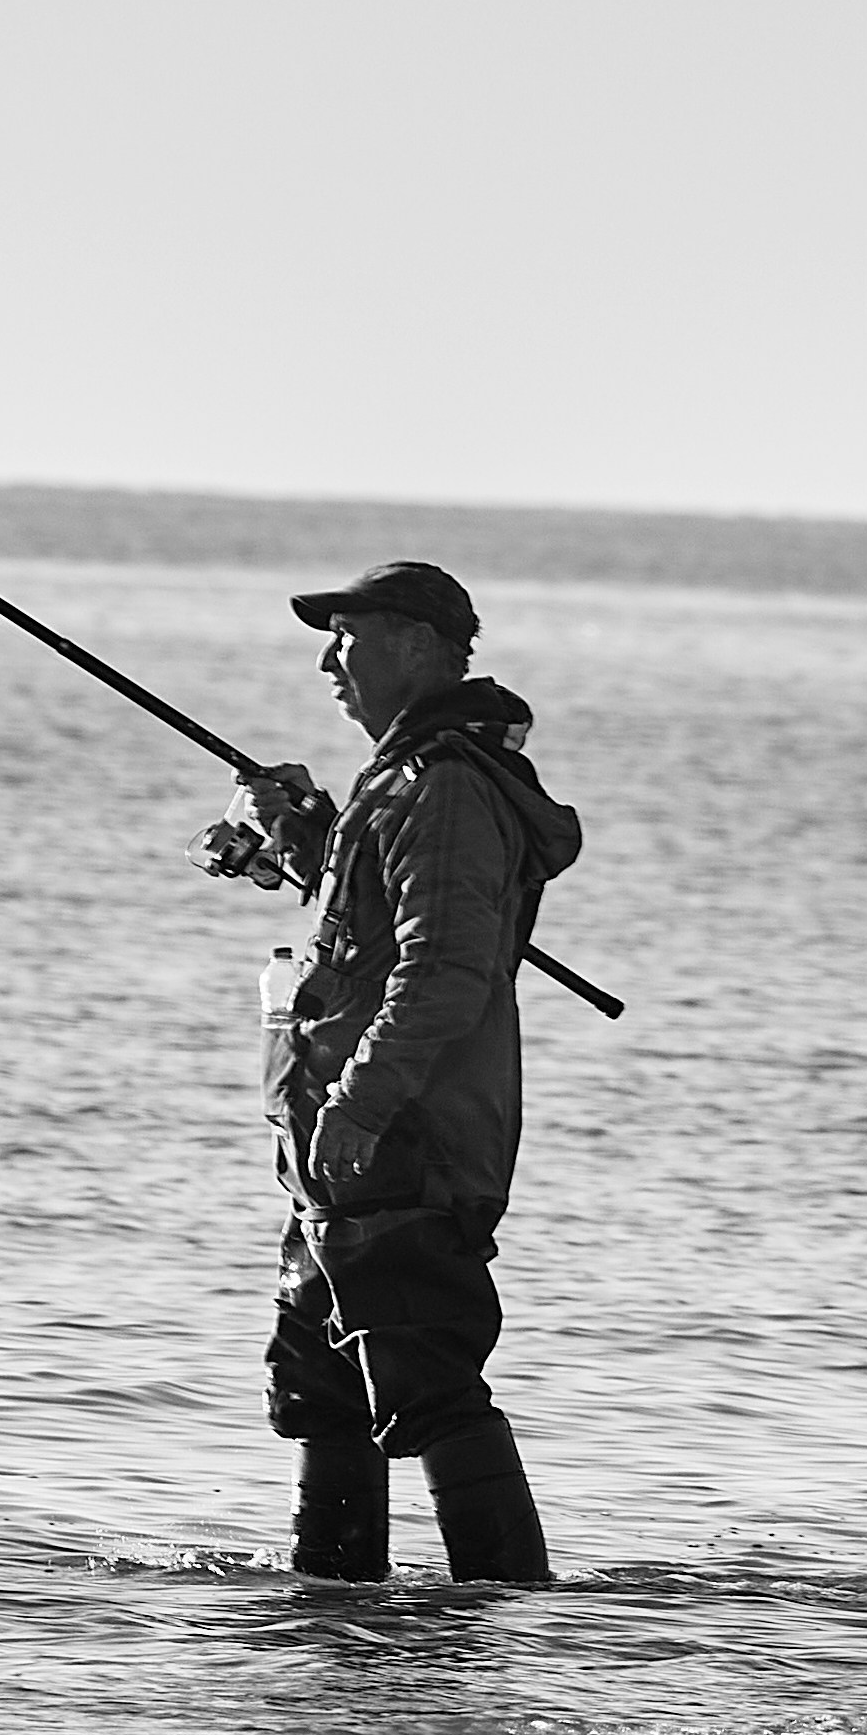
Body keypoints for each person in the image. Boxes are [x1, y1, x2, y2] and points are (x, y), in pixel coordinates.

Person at [198, 558, 585, 1584]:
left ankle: (505, 1614)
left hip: (402, 1138)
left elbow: (443, 970)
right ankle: (329, 1611)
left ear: (418, 646)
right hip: (339, 1147)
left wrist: (361, 1107)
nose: (330, 662)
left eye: (348, 639)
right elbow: (370, 926)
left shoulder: (444, 786)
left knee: (429, 1383)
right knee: (321, 1389)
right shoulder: (406, 781)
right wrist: (302, 836)